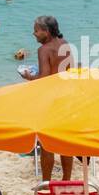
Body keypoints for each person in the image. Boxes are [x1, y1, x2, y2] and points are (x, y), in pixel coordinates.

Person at [20, 16, 76, 180]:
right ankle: (66, 180)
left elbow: (44, 77)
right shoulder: (64, 43)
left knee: (46, 144)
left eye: (37, 30)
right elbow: (69, 71)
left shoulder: (44, 49)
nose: (34, 33)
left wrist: (29, 77)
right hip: (66, 96)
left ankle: (46, 181)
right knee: (66, 142)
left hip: (51, 99)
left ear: (46, 31)